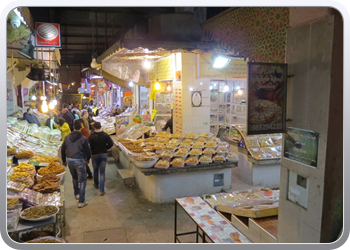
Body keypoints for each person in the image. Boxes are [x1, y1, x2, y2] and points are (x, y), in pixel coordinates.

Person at [61, 120, 91, 208]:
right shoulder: (83, 138)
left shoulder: (67, 137)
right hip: (79, 160)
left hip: (70, 160)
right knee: (82, 180)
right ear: (81, 128)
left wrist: (64, 160)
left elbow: (63, 149)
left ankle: (77, 194)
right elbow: (87, 150)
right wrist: (88, 158)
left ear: (73, 127)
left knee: (74, 177)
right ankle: (81, 201)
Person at [88, 122, 114, 196]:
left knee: (95, 170)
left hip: (94, 155)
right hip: (103, 155)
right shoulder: (105, 135)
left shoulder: (91, 136)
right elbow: (111, 144)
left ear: (94, 128)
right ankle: (101, 190)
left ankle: (96, 184)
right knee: (102, 172)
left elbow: (89, 146)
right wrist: (105, 148)